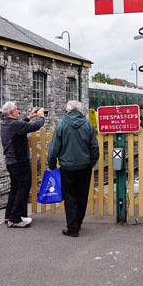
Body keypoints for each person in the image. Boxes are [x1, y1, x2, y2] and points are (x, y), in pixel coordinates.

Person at [47, 100, 99, 237]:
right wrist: (91, 163)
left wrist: (52, 164)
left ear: (68, 110)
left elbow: (54, 148)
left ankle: (72, 227)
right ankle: (78, 223)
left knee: (70, 197)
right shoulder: (87, 125)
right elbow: (94, 147)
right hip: (84, 167)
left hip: (67, 167)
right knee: (82, 196)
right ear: (80, 110)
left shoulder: (62, 125)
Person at [1, 102, 45, 228]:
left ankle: (9, 215)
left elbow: (21, 124)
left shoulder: (5, 123)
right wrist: (41, 117)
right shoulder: (15, 124)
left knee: (14, 188)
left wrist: (29, 117)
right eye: (16, 109)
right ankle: (15, 218)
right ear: (12, 112)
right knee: (23, 188)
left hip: (11, 163)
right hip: (20, 162)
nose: (18, 111)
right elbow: (35, 126)